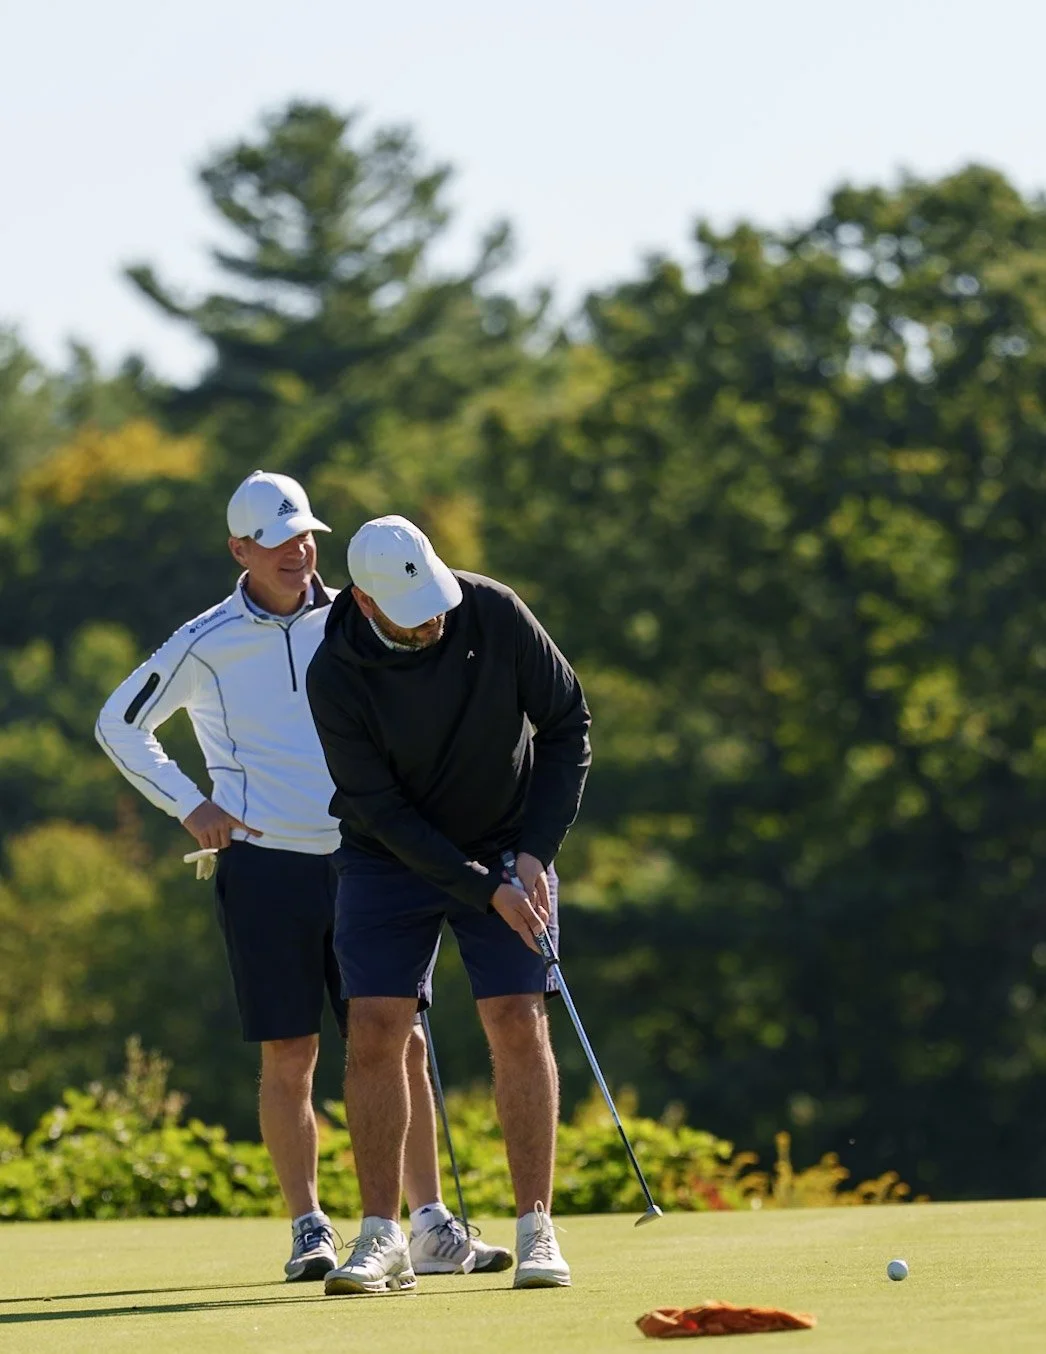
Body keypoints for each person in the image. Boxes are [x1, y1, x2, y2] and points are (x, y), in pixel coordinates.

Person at [95, 472, 510, 1282]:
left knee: (404, 1045)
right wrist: (189, 806)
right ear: (240, 550)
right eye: (280, 539)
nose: (300, 550)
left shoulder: (357, 614)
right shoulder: (204, 639)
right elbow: (121, 721)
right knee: (290, 1053)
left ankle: (426, 1224)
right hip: (264, 866)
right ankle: (310, 1226)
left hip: (371, 858)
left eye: (308, 535)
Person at [306, 514, 591, 1296]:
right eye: (412, 610)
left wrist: (533, 854)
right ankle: (381, 1237)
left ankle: (537, 1228)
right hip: (386, 855)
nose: (434, 618)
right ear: (364, 602)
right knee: (375, 1028)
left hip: (507, 840)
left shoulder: (491, 610)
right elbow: (386, 814)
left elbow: (568, 724)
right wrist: (483, 888)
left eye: (434, 598)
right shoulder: (334, 671)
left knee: (515, 1017)